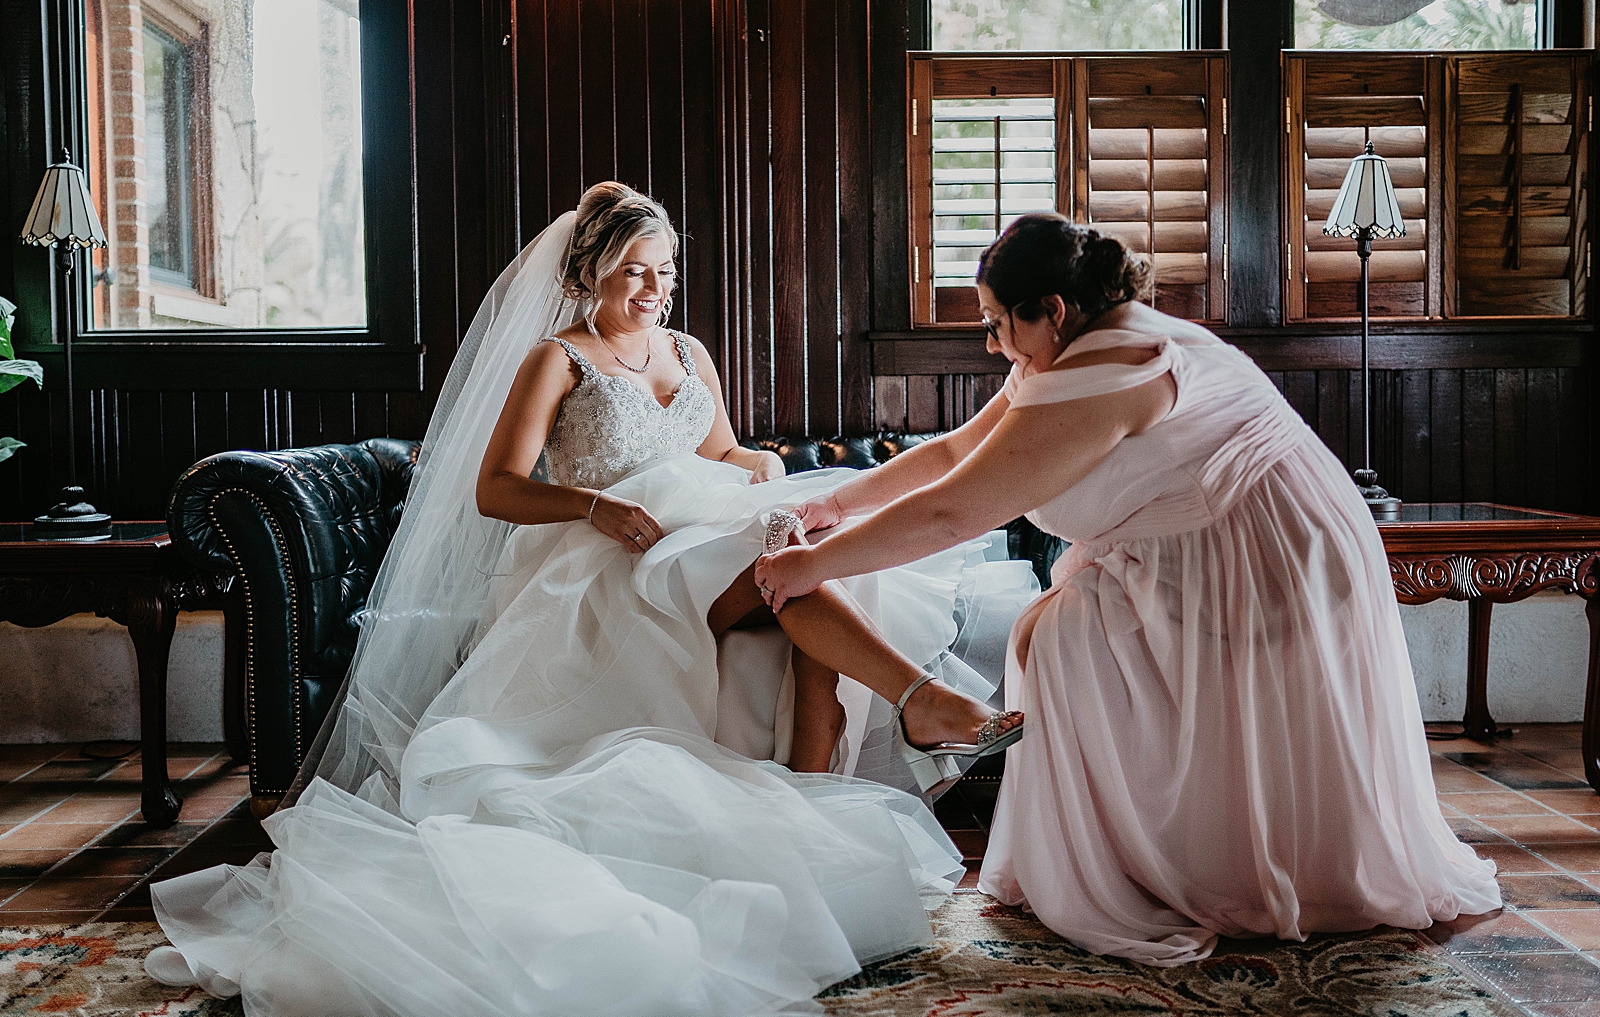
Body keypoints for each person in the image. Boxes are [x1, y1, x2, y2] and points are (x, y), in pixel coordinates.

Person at [142, 184, 1030, 1015]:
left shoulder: (689, 352)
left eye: (666, 271)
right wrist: (595, 505)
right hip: (605, 555)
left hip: (699, 526)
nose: (655, 289)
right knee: (788, 565)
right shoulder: (557, 359)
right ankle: (910, 710)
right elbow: (497, 486)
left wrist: (759, 464)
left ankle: (817, 792)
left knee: (803, 557)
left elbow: (720, 452)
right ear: (589, 271)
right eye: (635, 270)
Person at [756, 213, 1502, 966]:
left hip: (1267, 551)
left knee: (1063, 640)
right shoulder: (1074, 345)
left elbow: (955, 509)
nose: (990, 343)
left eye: (995, 323)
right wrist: (838, 503)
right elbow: (957, 453)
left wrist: (813, 567)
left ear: (1052, 309)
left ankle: (1192, 871)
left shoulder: (1114, 365)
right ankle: (1156, 860)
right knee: (1050, 633)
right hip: (1213, 540)